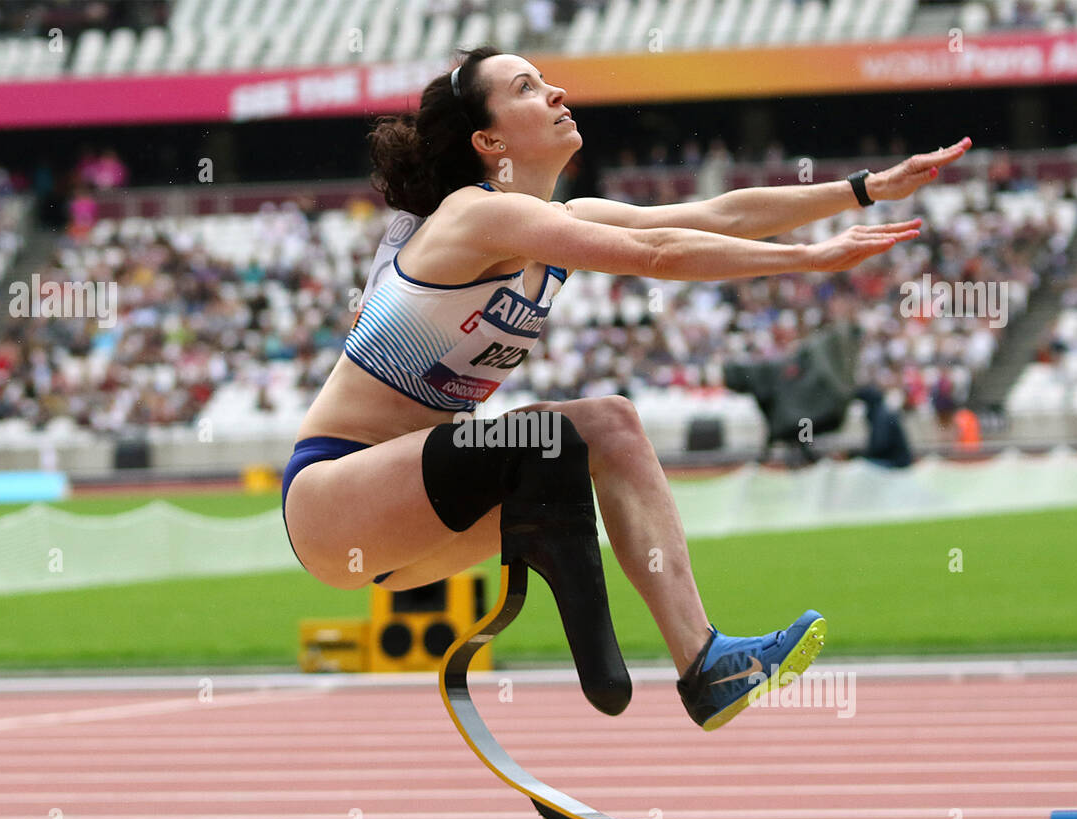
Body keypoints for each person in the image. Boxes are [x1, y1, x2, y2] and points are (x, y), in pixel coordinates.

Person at [281, 45, 971, 729]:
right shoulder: (474, 214)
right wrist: (807, 258)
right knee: (577, 427)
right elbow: (658, 254)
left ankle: (707, 666)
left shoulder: (559, 222)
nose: (554, 93)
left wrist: (863, 189)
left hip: (418, 527)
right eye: (527, 87)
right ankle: (580, 595)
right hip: (334, 501)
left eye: (548, 81)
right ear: (488, 140)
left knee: (603, 433)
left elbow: (715, 218)